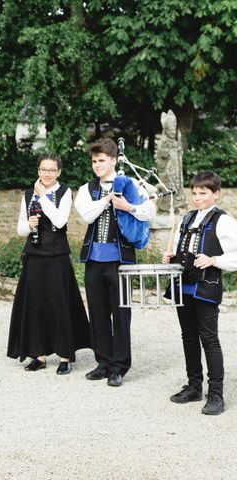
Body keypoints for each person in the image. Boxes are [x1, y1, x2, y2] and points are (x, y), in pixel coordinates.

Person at [74, 138, 156, 387]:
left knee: (121, 315)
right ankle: (103, 362)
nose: (97, 165)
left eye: (101, 160)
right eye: (94, 161)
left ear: (113, 160)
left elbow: (150, 211)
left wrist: (128, 206)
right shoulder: (87, 189)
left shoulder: (130, 184)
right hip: (94, 260)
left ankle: (119, 367)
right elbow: (87, 215)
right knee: (97, 313)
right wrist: (108, 199)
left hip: (121, 260)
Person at [7, 154, 90, 374]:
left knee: (59, 304)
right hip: (34, 255)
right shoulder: (27, 195)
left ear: (59, 172)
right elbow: (20, 229)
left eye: (52, 170)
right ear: (38, 170)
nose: (47, 174)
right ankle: (39, 355)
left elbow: (60, 220)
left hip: (56, 256)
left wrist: (43, 196)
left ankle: (65, 356)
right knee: (35, 304)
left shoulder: (64, 193)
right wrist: (29, 224)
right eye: (43, 169)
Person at [162, 171, 237, 415]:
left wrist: (214, 259)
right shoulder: (186, 219)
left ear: (216, 194)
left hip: (206, 287)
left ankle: (216, 394)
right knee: (188, 337)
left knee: (209, 339)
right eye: (194, 193)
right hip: (183, 286)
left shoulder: (223, 221)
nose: (197, 198)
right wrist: (170, 257)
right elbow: (179, 251)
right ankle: (194, 386)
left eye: (203, 194)